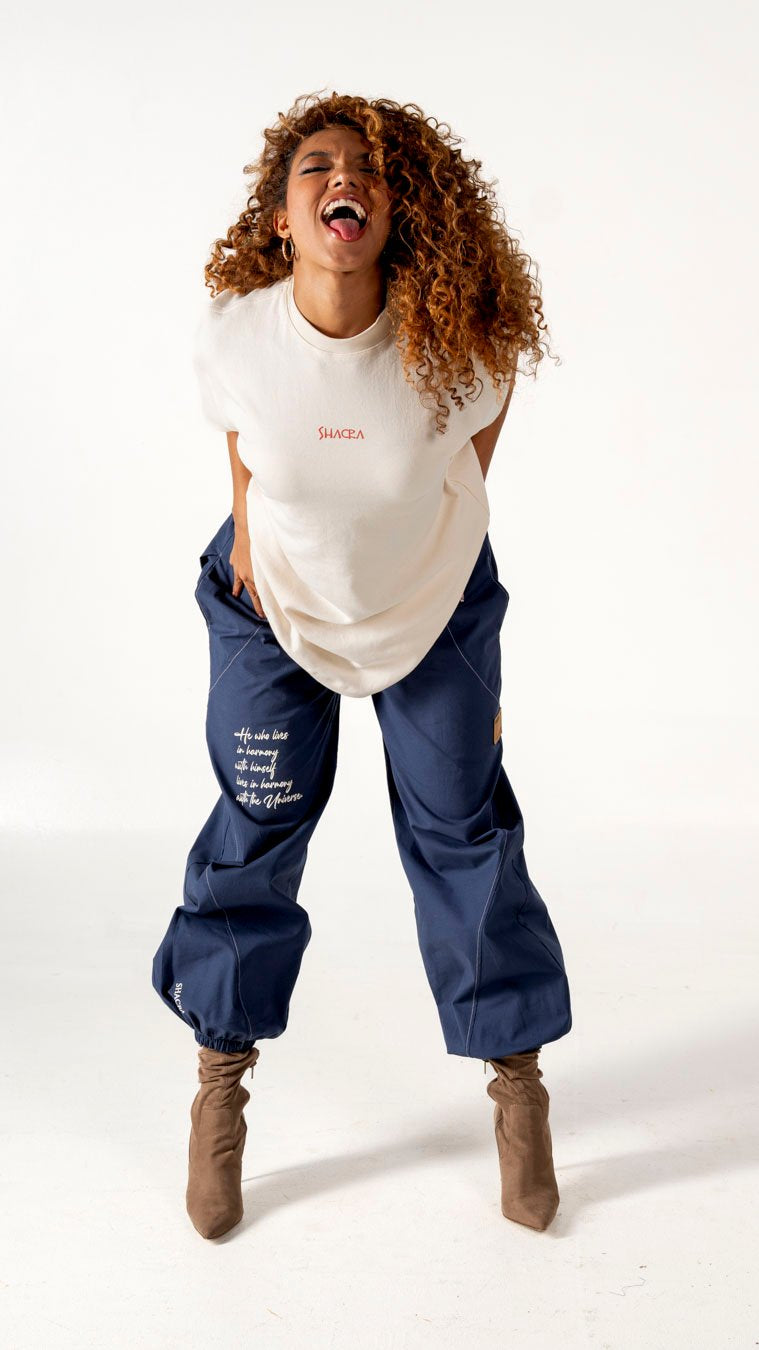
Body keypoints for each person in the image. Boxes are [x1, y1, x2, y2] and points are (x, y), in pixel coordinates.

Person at [151, 90, 573, 1240]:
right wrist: (244, 526)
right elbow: (243, 433)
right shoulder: (235, 331)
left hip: (428, 611)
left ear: (397, 210)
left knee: (462, 828)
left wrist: (434, 534)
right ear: (284, 216)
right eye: (316, 165)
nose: (346, 177)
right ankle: (220, 1085)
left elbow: (477, 449)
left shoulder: (455, 342)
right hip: (272, 605)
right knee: (258, 822)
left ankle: (517, 1085)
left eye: (371, 168)